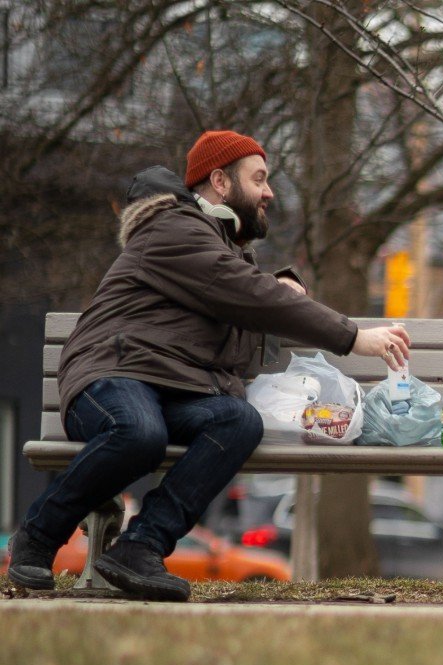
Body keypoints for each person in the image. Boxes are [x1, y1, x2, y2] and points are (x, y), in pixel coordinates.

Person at [7, 130, 410, 602]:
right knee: (139, 431)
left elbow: (238, 303)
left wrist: (274, 286)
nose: (269, 192)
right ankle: (36, 537)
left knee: (238, 421)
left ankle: (141, 548)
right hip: (112, 374)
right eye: (258, 178)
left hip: (170, 390)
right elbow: (239, 289)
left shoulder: (222, 250)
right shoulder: (172, 226)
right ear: (219, 180)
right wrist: (353, 336)